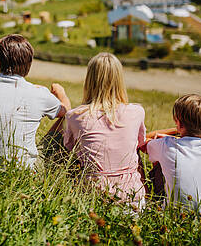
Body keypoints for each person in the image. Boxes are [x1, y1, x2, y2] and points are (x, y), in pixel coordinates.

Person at [0, 34, 71, 168]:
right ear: (29, 64)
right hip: (23, 172)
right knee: (67, 120)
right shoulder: (39, 94)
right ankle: (54, 172)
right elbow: (66, 112)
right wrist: (61, 93)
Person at [62, 52, 146, 209]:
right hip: (133, 199)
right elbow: (139, 145)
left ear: (89, 80)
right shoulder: (136, 112)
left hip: (93, 199)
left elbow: (68, 149)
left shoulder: (75, 116)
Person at [144, 94, 201, 218]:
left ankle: (159, 200)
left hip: (175, 217)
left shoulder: (166, 145)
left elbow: (145, 138)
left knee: (160, 162)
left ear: (179, 123)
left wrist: (176, 130)